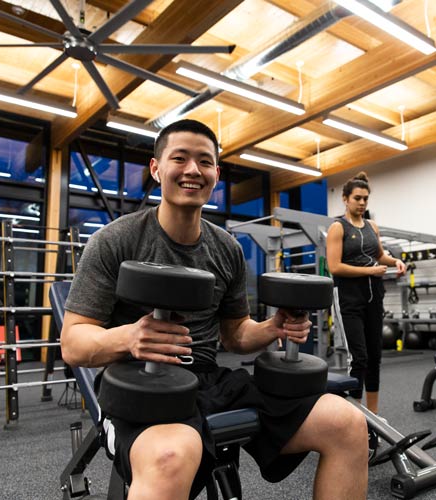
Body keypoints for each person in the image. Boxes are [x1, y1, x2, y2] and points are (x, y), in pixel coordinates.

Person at [61, 119, 369, 500]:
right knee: (171, 456)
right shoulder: (114, 241)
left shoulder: (227, 249)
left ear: (216, 175)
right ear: (157, 169)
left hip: (210, 378)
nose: (193, 170)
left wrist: (273, 327)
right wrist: (130, 337)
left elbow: (235, 333)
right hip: (139, 384)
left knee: (348, 423)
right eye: (180, 158)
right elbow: (73, 343)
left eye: (204, 162)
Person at [326, 171, 406, 415]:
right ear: (345, 199)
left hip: (374, 296)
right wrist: (368, 271)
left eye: (365, 199)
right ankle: (355, 416)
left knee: (374, 358)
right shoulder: (337, 228)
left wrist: (395, 263)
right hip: (349, 298)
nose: (362, 203)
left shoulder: (372, 226)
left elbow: (379, 255)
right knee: (359, 358)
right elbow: (334, 267)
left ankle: (374, 417)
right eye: (357, 198)